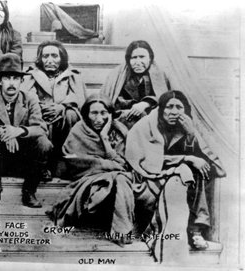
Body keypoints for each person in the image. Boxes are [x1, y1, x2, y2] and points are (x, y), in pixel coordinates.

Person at [125, 90, 226, 262]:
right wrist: (186, 158)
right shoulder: (146, 125)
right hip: (147, 180)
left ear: (185, 110)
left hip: (175, 178)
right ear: (161, 108)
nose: (174, 112)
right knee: (186, 170)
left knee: (197, 170)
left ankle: (195, 230)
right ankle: (155, 231)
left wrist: (190, 134)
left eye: (179, 107)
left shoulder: (185, 125)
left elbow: (203, 159)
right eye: (169, 107)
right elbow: (149, 161)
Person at [47, 94, 134, 246]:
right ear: (86, 114)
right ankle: (122, 229)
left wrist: (105, 139)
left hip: (115, 182)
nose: (99, 118)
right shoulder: (78, 131)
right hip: (88, 180)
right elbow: (76, 162)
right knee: (118, 178)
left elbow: (125, 164)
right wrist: (110, 164)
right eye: (94, 113)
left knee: (121, 178)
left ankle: (120, 230)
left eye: (103, 113)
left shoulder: (118, 131)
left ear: (110, 114)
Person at [0, 53, 53, 208]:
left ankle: (29, 191)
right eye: (6, 78)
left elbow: (40, 127)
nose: (11, 83)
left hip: (23, 158)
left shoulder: (30, 98)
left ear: (21, 81)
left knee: (44, 143)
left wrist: (19, 131)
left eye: (15, 78)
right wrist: (5, 130)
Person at [21, 40, 86, 174]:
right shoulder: (31, 74)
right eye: (45, 56)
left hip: (62, 117)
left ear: (62, 58)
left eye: (54, 56)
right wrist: (40, 107)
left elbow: (79, 97)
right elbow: (26, 95)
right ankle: (42, 163)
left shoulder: (72, 75)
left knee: (71, 115)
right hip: (40, 113)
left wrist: (62, 106)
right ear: (40, 59)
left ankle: (66, 160)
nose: (50, 60)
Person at [101, 40, 171, 129]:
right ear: (128, 60)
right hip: (124, 119)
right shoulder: (119, 75)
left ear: (150, 58)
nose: (138, 62)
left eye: (142, 57)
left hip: (151, 120)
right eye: (134, 57)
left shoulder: (159, 74)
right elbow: (110, 100)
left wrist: (146, 103)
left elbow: (165, 98)